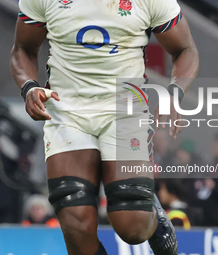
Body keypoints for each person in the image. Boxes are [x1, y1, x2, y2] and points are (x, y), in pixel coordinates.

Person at [10, 0, 199, 253]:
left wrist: (174, 93)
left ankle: (151, 209)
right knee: (75, 224)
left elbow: (186, 49)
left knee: (133, 228)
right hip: (67, 112)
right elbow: (22, 49)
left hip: (125, 112)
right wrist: (29, 87)